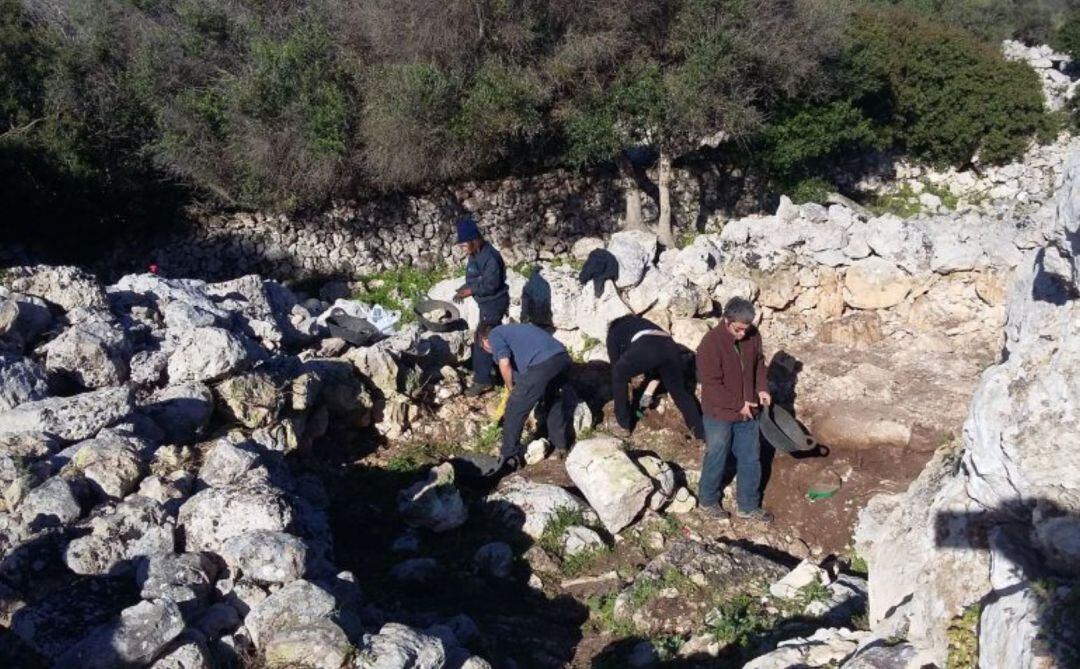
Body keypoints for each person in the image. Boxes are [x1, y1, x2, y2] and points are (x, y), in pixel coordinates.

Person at [695, 297, 774, 522]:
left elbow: (759, 364)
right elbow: (711, 385)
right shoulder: (710, 343)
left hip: (748, 411)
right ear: (726, 320)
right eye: (738, 329)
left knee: (751, 457)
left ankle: (748, 506)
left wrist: (761, 389)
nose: (742, 334)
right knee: (717, 455)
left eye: (746, 330)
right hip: (719, 413)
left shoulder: (753, 335)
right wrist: (739, 404)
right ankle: (708, 501)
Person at [478, 323, 573, 471]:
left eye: (486, 349)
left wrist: (510, 387)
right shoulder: (515, 331)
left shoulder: (494, 335)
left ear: (484, 340)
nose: (491, 353)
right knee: (553, 400)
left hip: (542, 363)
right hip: (562, 357)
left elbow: (504, 363)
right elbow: (525, 373)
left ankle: (509, 456)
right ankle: (560, 445)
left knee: (515, 407)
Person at [606, 315, 705, 441]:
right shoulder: (639, 322)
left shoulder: (613, 332)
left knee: (618, 374)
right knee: (680, 394)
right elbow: (652, 378)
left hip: (648, 346)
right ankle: (701, 435)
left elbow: (616, 368)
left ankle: (623, 424)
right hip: (670, 347)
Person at [453, 217, 509, 397]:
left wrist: (470, 290)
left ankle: (483, 380)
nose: (462, 249)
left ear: (473, 241)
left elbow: (491, 284)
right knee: (490, 336)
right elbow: (474, 277)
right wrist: (464, 288)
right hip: (485, 304)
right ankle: (494, 370)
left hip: (494, 303)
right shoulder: (474, 254)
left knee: (483, 339)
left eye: (463, 245)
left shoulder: (490, 257)